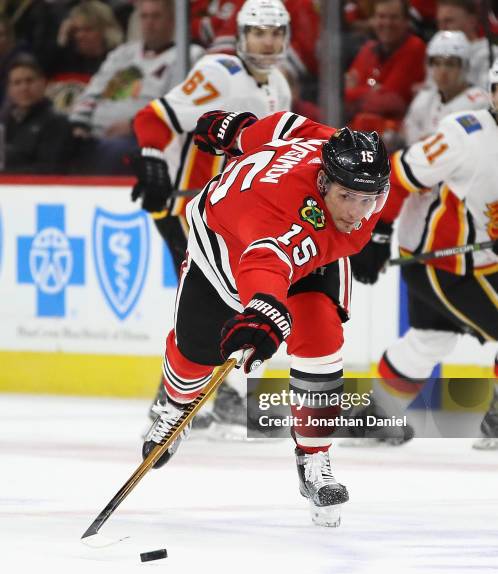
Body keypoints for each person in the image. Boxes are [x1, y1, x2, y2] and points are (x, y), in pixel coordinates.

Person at [139, 108, 391, 527]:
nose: (356, 213)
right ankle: (176, 406)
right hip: (226, 243)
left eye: (369, 200)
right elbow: (265, 261)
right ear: (323, 182)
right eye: (346, 197)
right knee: (196, 353)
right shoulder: (278, 212)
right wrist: (264, 309)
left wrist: (241, 132)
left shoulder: (336, 151)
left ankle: (315, 458)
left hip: (303, 252)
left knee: (321, 339)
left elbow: (291, 126)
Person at [131, 0, 292, 433]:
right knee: (213, 296)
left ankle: (209, 394)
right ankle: (191, 396)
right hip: (192, 209)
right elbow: (155, 116)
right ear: (240, 36)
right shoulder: (220, 71)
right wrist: (152, 161)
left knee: (229, 294)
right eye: (259, 32)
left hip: (234, 214)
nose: (268, 41)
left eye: (276, 32)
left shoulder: (279, 83)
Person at [348, 58, 498, 448]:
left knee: (431, 339)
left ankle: (375, 417)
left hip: (477, 260)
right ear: (492, 93)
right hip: (441, 260)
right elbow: (399, 175)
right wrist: (377, 233)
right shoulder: (463, 134)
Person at [69, 0, 204, 173]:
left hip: (141, 138)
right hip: (95, 133)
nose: (149, 23)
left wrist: (133, 126)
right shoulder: (123, 54)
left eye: (156, 16)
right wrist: (78, 125)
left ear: (172, 20)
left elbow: (174, 107)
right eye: (144, 16)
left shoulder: (188, 55)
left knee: (112, 151)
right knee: (59, 140)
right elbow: (92, 93)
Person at [345, 0, 426, 134]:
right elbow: (343, 96)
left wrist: (357, 91)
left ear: (406, 21)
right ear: (373, 20)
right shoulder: (368, 48)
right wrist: (371, 91)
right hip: (363, 133)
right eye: (381, 17)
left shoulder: (414, 47)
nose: (387, 23)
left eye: (394, 17)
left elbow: (389, 103)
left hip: (399, 135)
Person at [45, 0, 124, 115]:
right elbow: (41, 76)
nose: (80, 35)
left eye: (88, 29)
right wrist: (61, 40)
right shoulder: (62, 58)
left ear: (105, 31)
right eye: (76, 30)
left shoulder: (117, 61)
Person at [1, 54, 72, 174]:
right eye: (17, 83)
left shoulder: (57, 122)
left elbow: (47, 170)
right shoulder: (5, 120)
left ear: (43, 83)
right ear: (9, 90)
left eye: (29, 81)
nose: (24, 88)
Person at [436, 0, 498, 90]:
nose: (442, 27)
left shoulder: (491, 53)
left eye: (448, 21)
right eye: (439, 22)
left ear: (471, 21)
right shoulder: (437, 55)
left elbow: (486, 96)